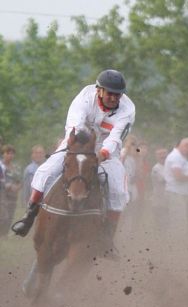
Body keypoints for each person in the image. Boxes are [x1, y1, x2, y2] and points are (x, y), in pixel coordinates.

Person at [11, 69, 135, 255]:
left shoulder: (128, 108)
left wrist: (101, 154)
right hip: (77, 143)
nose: (114, 98)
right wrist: (81, 149)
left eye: (118, 95)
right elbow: (75, 126)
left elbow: (116, 137)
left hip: (107, 151)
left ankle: (107, 238)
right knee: (46, 170)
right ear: (99, 90)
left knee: (118, 188)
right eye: (110, 93)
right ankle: (29, 215)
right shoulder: (84, 98)